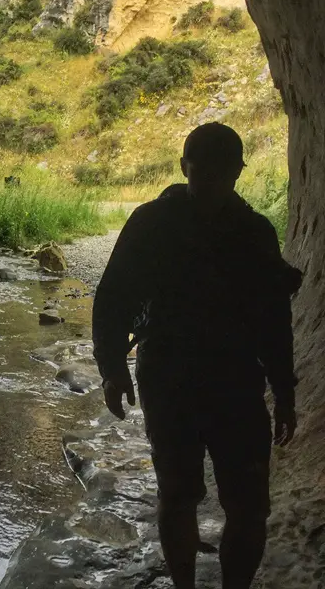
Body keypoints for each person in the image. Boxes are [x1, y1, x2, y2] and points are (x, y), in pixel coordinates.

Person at [92, 123, 301, 589]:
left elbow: (273, 320)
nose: (211, 181)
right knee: (185, 495)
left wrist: (285, 392)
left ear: (236, 173)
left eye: (221, 172)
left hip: (216, 381)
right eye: (204, 170)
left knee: (241, 505)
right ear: (184, 167)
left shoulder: (248, 232)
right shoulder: (160, 225)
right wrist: (111, 369)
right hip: (181, 379)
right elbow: (113, 300)